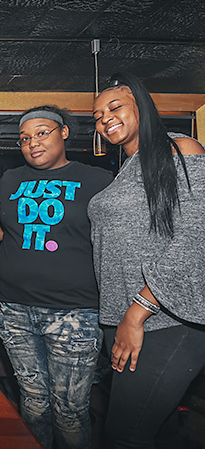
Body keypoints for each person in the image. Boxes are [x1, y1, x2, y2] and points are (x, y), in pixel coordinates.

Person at [88, 72, 205, 448]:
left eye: (115, 107)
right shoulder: (126, 169)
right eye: (97, 116)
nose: (105, 118)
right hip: (122, 318)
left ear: (142, 105)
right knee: (161, 434)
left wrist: (137, 311)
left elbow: (194, 238)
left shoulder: (181, 150)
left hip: (167, 319)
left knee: (124, 435)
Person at [0, 106, 113, 449]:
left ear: (64, 133)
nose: (32, 143)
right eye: (25, 138)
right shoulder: (11, 178)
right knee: (32, 401)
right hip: (12, 308)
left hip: (73, 312)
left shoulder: (97, 180)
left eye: (42, 133)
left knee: (70, 410)